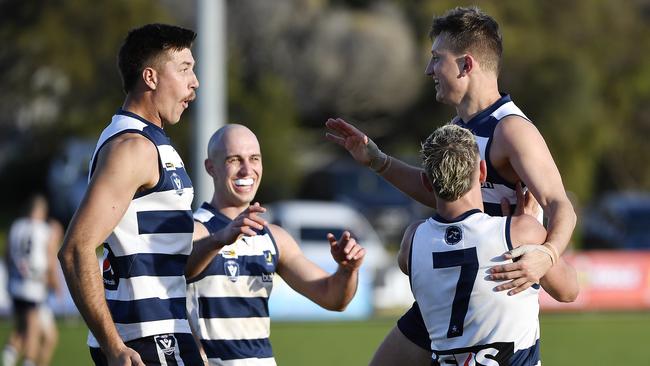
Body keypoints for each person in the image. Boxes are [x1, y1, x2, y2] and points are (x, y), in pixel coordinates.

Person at [325, 6, 577, 365]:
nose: (429, 70)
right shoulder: (459, 130)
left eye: (436, 59)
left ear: (466, 65)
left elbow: (559, 203)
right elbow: (437, 190)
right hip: (456, 280)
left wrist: (547, 254)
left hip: (494, 288)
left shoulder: (510, 130)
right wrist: (377, 161)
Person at [57, 24, 204, 365]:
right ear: (150, 77)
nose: (195, 81)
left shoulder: (151, 141)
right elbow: (76, 250)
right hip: (147, 342)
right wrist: (115, 347)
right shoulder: (132, 147)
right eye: (184, 69)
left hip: (165, 334)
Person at [185, 124, 366, 365]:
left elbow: (333, 298)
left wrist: (347, 270)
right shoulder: (195, 229)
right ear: (211, 168)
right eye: (234, 160)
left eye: (254, 159)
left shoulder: (274, 237)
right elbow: (178, 270)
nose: (247, 169)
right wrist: (219, 239)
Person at [400, 124, 577, 364]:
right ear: (482, 171)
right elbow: (569, 290)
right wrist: (528, 230)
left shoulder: (411, 241)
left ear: (426, 182)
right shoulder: (519, 232)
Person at [3, 194, 63, 366]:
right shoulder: (43, 230)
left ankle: (8, 359)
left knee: (22, 331)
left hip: (16, 285)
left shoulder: (16, 226)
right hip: (34, 287)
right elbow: (50, 259)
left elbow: (7, 256)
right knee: (33, 334)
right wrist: (55, 284)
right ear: (41, 211)